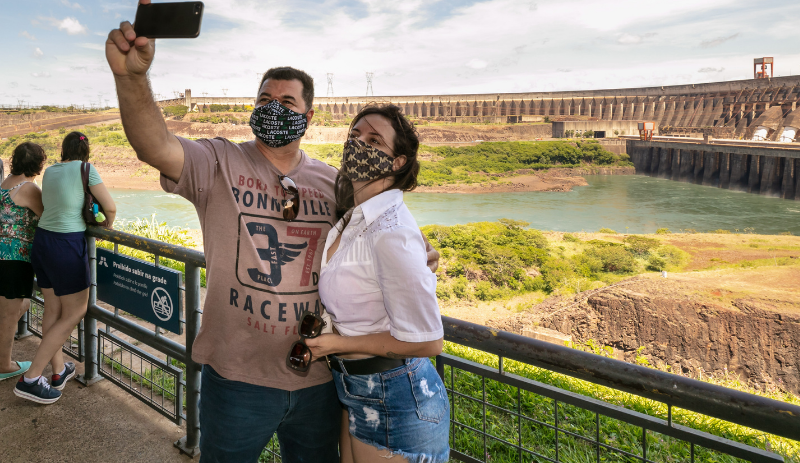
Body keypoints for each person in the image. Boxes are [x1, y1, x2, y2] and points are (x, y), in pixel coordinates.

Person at [105, 4, 438, 461]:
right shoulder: (218, 162)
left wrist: (421, 250)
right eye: (264, 100)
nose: (273, 109)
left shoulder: (332, 182)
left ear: (308, 117)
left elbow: (374, 229)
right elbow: (154, 145)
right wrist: (132, 78)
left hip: (320, 379)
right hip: (237, 380)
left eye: (286, 103)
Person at [307, 105, 449, 463]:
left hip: (396, 396)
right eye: (354, 137)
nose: (358, 146)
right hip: (357, 389)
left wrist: (335, 344)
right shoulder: (354, 219)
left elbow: (429, 342)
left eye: (374, 141)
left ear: (398, 161)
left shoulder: (391, 232)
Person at [15, 132, 116, 404]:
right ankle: (31, 378)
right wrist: (108, 222)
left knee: (53, 308)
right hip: (66, 246)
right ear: (86, 150)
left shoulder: (50, 171)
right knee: (76, 311)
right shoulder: (87, 169)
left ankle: (58, 372)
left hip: (43, 242)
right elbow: (111, 207)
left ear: (64, 150)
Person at [0, 142, 46, 383]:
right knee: (9, 313)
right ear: (38, 164)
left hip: (4, 256)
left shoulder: (4, 184)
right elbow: (48, 216)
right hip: (15, 258)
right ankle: (4, 365)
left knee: (22, 304)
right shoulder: (28, 188)